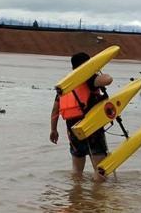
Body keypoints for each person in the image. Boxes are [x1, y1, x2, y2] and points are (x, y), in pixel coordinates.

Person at [50, 52, 113, 182]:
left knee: (76, 171)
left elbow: (55, 110)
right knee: (100, 169)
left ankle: (76, 196)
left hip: (73, 130)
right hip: (91, 128)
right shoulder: (89, 79)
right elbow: (108, 80)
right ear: (87, 64)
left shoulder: (66, 85)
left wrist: (53, 130)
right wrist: (97, 70)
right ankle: (97, 199)